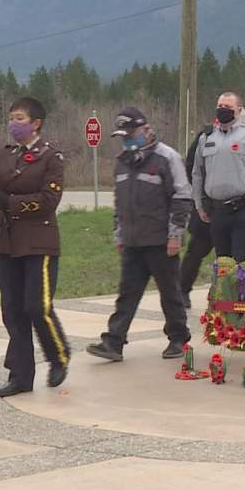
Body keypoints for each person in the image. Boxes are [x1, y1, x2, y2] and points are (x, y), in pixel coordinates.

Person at [0, 96, 69, 397]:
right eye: (11, 117)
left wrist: (11, 203)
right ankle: (21, 375)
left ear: (36, 123)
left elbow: (49, 201)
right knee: (12, 311)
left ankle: (58, 355)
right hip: (8, 241)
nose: (13, 123)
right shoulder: (7, 154)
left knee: (37, 306)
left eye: (20, 118)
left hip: (39, 240)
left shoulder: (51, 157)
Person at [86, 107, 192, 362]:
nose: (127, 139)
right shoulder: (123, 161)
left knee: (170, 293)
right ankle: (114, 341)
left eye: (131, 133)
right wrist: (119, 234)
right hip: (133, 240)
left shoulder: (167, 157)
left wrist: (175, 234)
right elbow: (120, 201)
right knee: (127, 293)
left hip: (161, 240)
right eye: (123, 135)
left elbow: (182, 195)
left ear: (145, 129)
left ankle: (178, 338)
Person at [191, 92, 245, 263]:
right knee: (223, 264)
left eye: (228, 107)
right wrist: (199, 205)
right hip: (217, 212)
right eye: (220, 107)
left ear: (239, 110)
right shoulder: (207, 138)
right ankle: (225, 291)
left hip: (244, 211)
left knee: (242, 264)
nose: (223, 110)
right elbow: (197, 173)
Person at [177, 122, 215, 309]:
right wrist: (200, 195)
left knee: (234, 257)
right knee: (195, 252)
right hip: (207, 205)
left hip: (236, 208)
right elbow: (191, 167)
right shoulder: (205, 137)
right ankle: (182, 289)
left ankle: (225, 297)